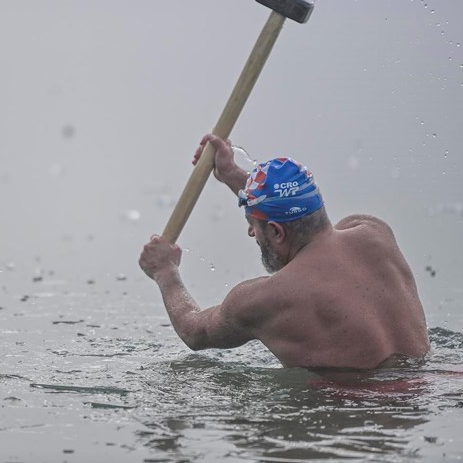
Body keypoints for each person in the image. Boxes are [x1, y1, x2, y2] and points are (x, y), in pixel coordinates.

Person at [139, 134, 430, 370]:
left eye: (253, 225)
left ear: (277, 232)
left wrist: (166, 272)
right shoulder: (373, 233)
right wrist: (231, 175)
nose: (251, 233)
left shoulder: (263, 299)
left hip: (357, 413)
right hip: (430, 386)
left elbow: (194, 331)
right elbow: (297, 221)